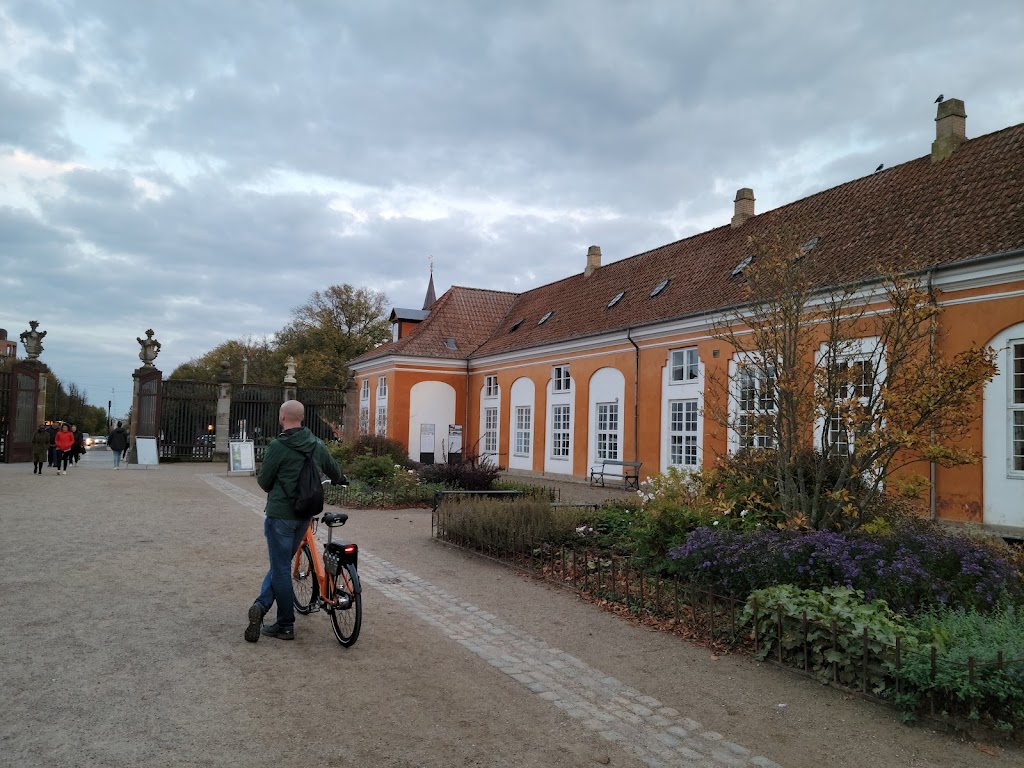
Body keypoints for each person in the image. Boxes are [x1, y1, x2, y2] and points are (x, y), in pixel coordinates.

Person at [245, 399, 345, 643]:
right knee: (281, 565)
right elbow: (333, 470)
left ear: (282, 417)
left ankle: (285, 624)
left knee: (280, 568)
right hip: (305, 515)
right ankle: (262, 604)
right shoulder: (316, 444)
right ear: (302, 419)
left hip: (281, 515)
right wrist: (342, 479)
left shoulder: (278, 446)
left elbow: (264, 481)